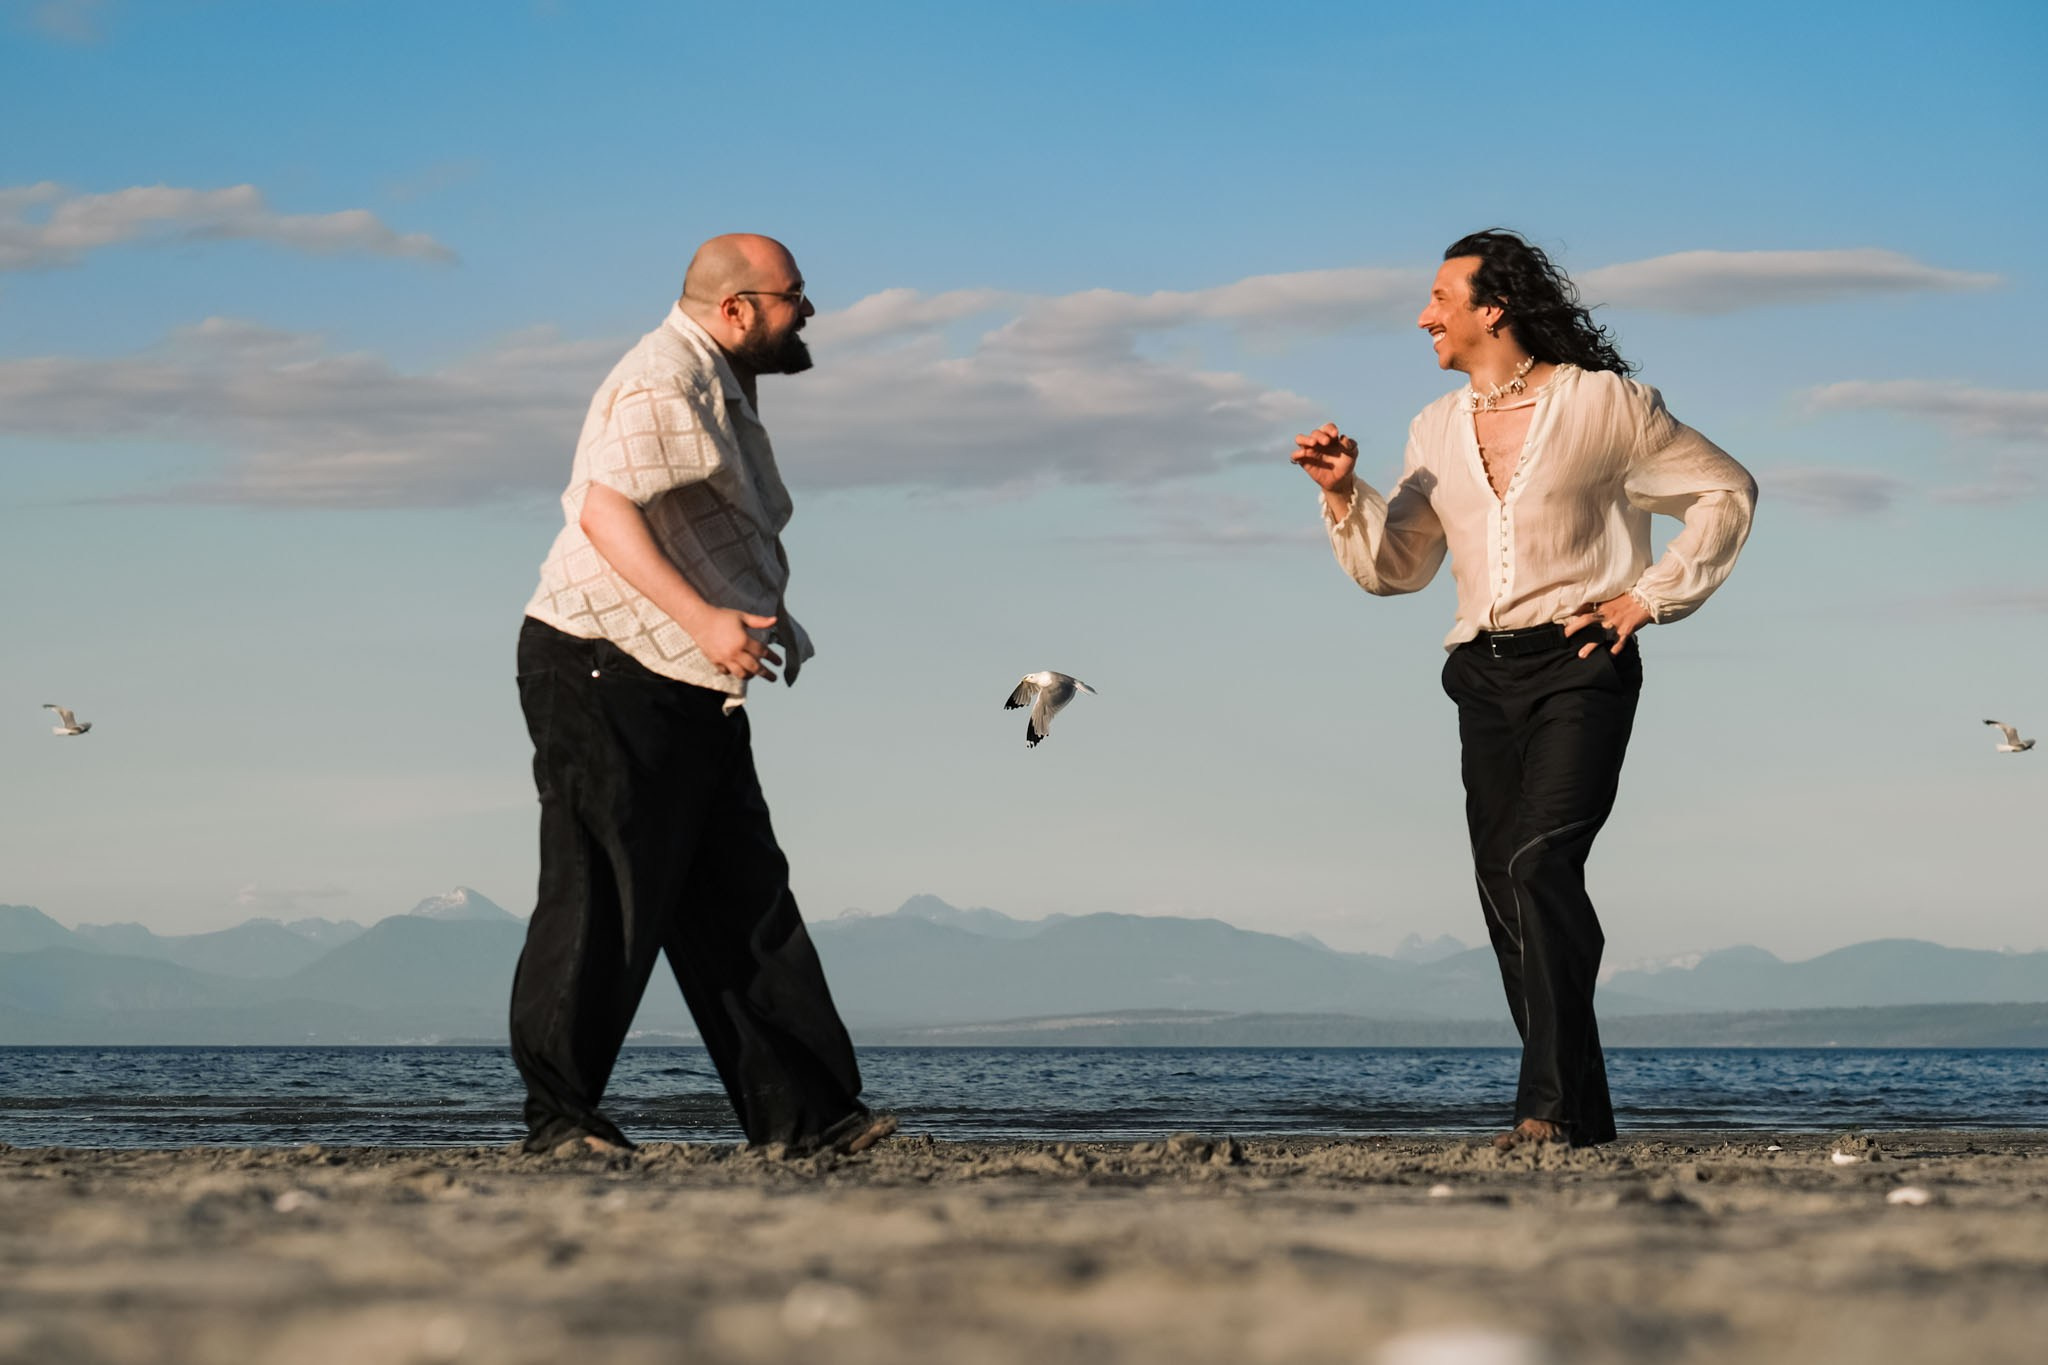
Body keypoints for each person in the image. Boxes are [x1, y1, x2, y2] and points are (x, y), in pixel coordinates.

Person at [1291, 229, 1757, 1148]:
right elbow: (1398, 569)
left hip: (1582, 662)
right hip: (1482, 674)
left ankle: (1543, 1111)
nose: (1424, 314)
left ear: (1491, 306)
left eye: (1439, 296)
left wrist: (1649, 597)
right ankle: (1584, 1119)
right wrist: (1346, 494)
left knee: (1542, 864)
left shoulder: (1608, 405)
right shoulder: (1433, 429)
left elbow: (1726, 491)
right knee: (1508, 896)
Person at [509, 233, 894, 1157]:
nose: (808, 311)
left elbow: (713, 522)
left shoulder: (716, 379)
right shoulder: (661, 378)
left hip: (683, 673)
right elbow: (602, 509)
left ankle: (808, 1118)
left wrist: (759, 620)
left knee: (740, 894)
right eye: (794, 296)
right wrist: (705, 619)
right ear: (736, 309)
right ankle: (560, 1120)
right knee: (602, 885)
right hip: (603, 660)